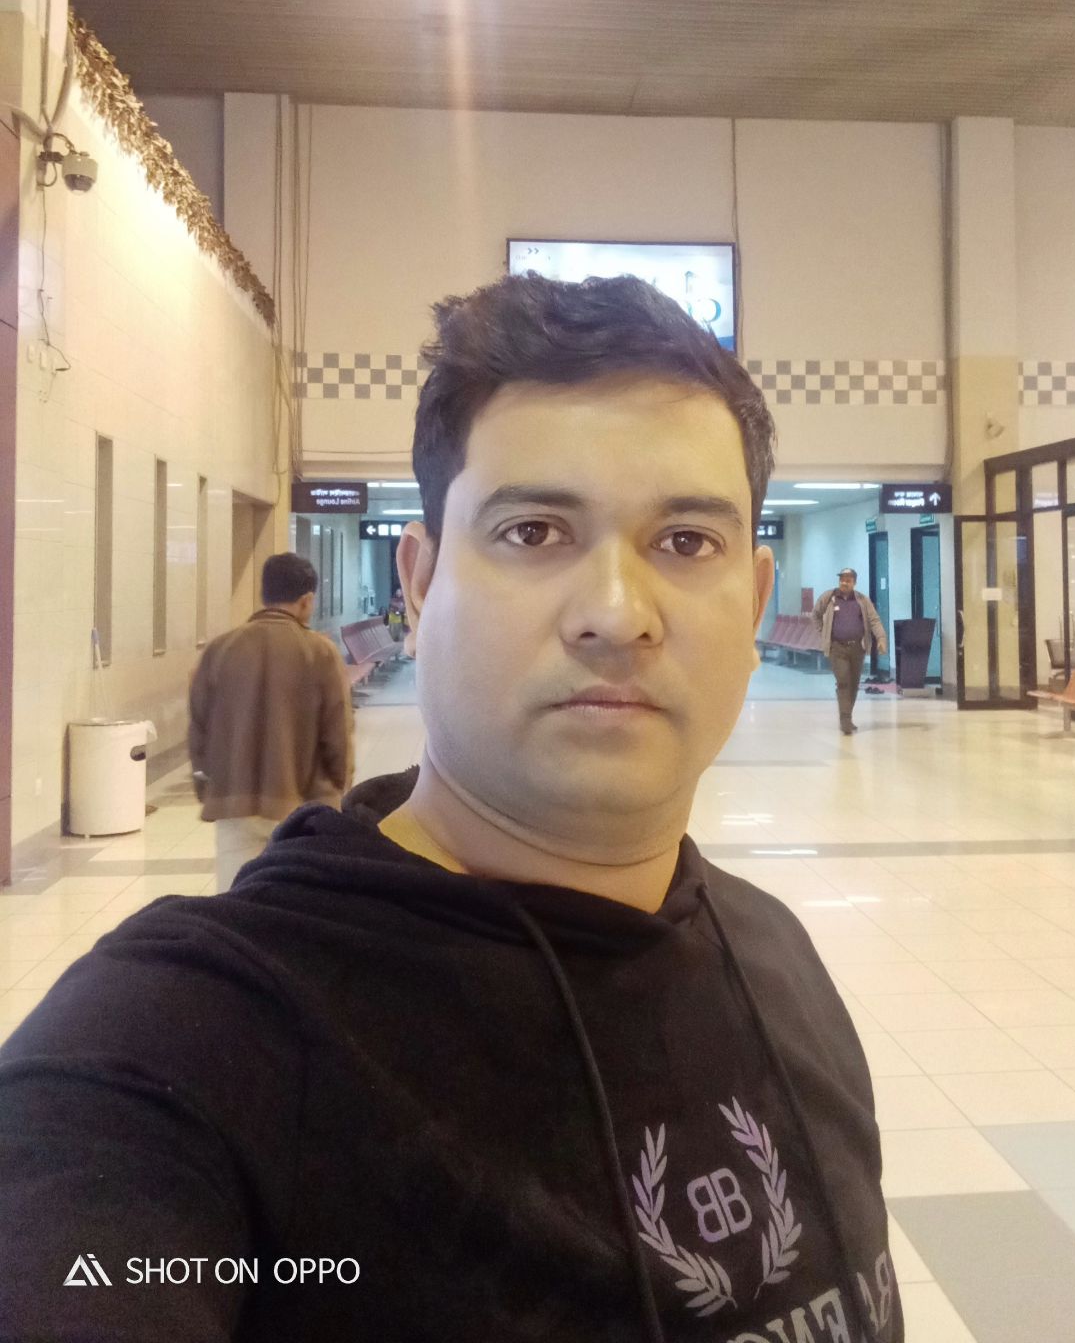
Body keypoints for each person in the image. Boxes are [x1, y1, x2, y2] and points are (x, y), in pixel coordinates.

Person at [0, 276, 901, 1342]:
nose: (618, 614)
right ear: (420, 584)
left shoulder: (778, 957)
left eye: (686, 543)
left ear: (753, 603)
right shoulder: (181, 1045)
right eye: (534, 530)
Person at [188, 551, 355, 889]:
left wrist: (207, 785)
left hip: (234, 801)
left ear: (264, 594)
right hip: (302, 803)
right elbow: (337, 733)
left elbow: (198, 730)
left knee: (238, 895)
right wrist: (340, 788)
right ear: (307, 600)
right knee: (294, 899)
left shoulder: (220, 649)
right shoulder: (320, 652)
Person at [814, 569, 888, 736]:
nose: (844, 583)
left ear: (854, 582)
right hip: (837, 648)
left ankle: (848, 716)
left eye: (848, 580)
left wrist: (881, 638)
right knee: (843, 681)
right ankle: (845, 720)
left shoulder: (862, 600)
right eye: (842, 579)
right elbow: (816, 615)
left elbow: (874, 620)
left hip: (857, 648)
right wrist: (823, 633)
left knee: (854, 685)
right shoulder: (829, 598)